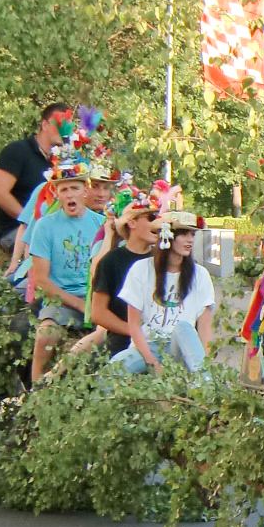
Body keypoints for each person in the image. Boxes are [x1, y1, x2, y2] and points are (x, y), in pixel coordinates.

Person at [24, 155, 105, 380]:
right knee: (45, 335)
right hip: (61, 302)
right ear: (56, 193)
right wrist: (79, 305)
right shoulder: (45, 226)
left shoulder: (101, 224)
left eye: (75, 188)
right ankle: (36, 388)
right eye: (64, 190)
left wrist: (95, 306)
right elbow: (42, 280)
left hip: (96, 300)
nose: (70, 195)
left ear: (85, 191)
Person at [115, 209, 218, 373]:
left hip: (182, 347)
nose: (190, 240)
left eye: (192, 234)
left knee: (183, 327)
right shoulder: (140, 269)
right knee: (112, 370)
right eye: (183, 234)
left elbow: (205, 329)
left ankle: (202, 382)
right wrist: (153, 363)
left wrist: (206, 364)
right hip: (147, 346)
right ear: (166, 235)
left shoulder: (200, 274)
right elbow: (133, 325)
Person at [0, 103, 74, 252]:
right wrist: (31, 223)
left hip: (51, 230)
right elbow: (0, 194)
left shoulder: (63, 159)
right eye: (60, 125)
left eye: (68, 127)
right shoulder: (18, 151)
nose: (64, 131)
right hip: (16, 231)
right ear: (45, 124)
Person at [87, 190, 156, 357]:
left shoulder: (162, 259)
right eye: (151, 218)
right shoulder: (111, 261)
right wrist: (135, 332)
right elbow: (98, 313)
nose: (157, 224)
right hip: (122, 340)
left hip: (159, 341)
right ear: (132, 222)